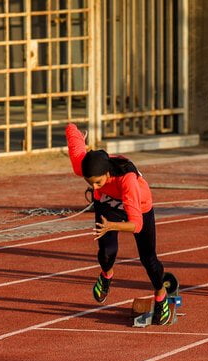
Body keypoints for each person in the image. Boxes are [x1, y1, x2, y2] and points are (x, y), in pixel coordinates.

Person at [65, 123, 172, 325]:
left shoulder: (127, 181)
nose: (94, 187)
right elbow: (73, 138)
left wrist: (112, 226)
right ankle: (107, 274)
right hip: (108, 205)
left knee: (148, 259)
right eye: (90, 183)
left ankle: (160, 294)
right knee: (107, 252)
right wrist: (77, 132)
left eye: (98, 182)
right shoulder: (84, 165)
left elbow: (136, 225)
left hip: (139, 206)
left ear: (108, 174)